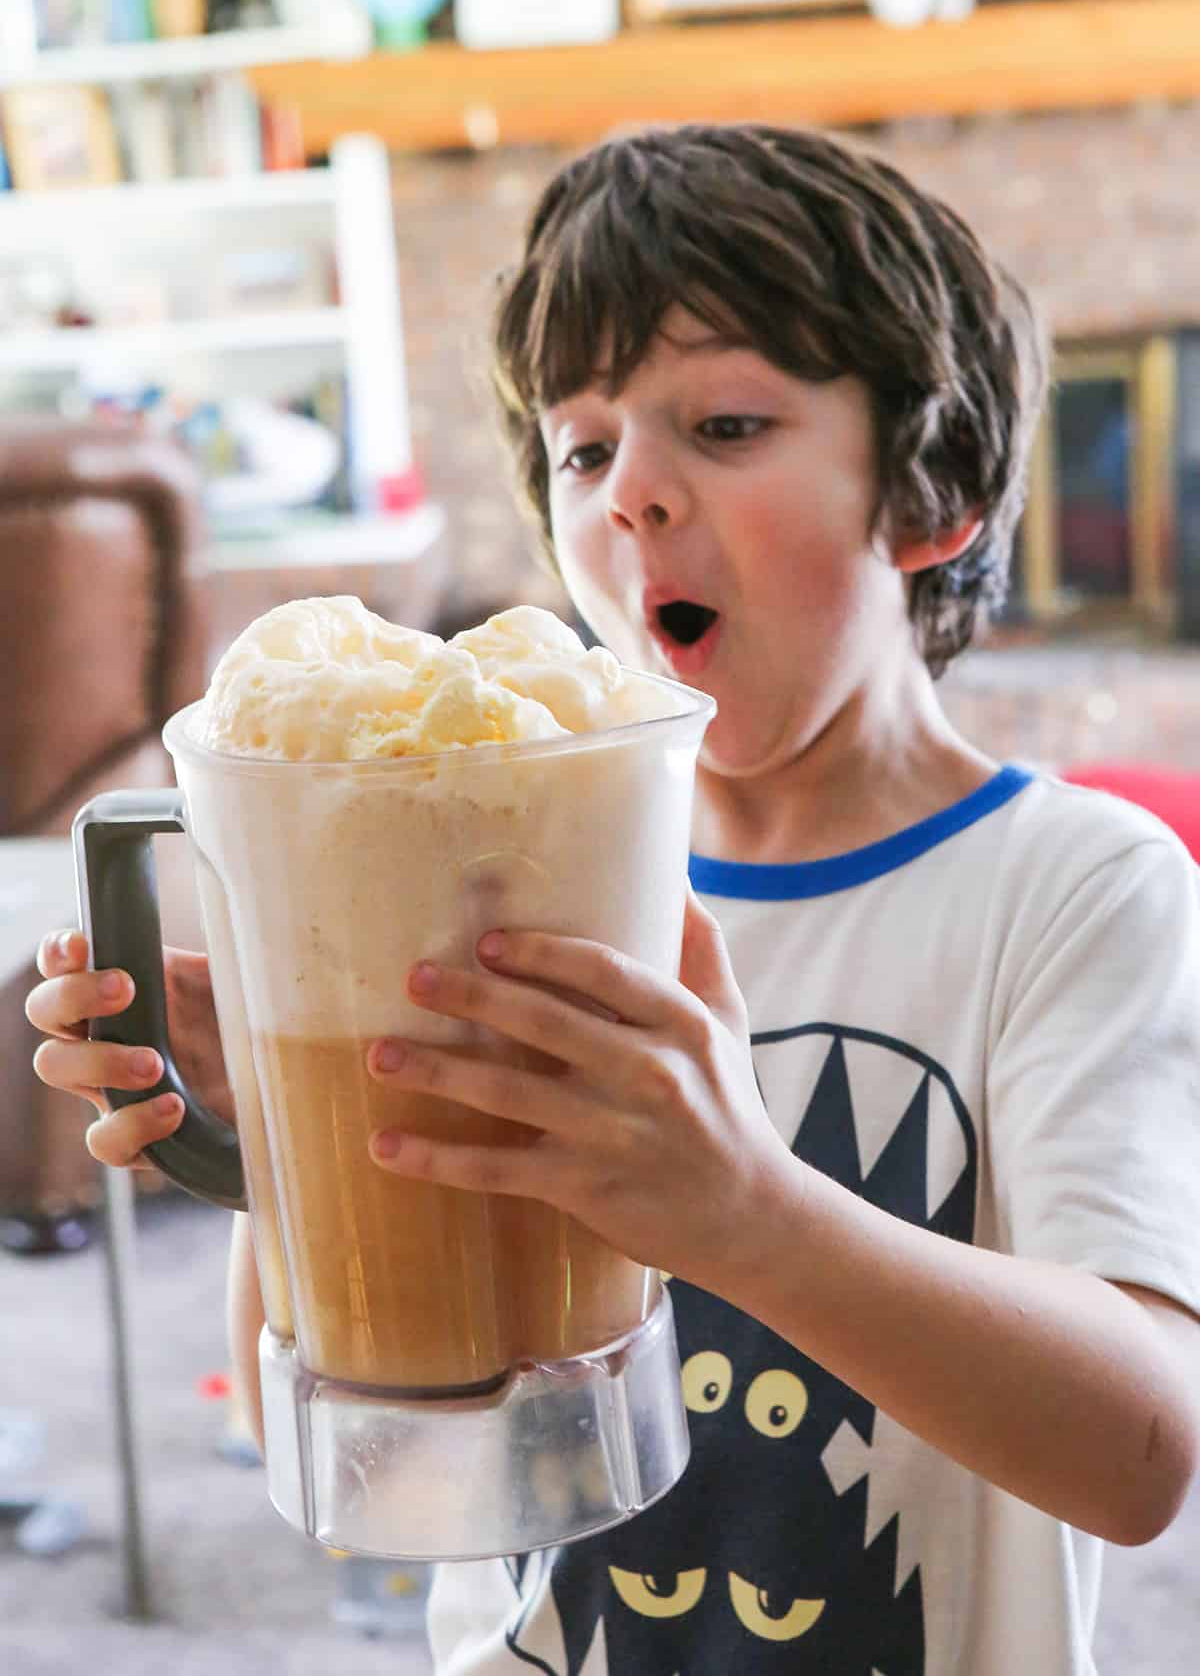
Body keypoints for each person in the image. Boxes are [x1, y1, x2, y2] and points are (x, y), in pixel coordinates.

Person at [26, 123, 1200, 1675]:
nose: (630, 492)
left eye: (719, 422)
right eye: (581, 449)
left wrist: (750, 1213)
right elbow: (305, 1428)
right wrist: (289, 1151)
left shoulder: (1074, 888)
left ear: (931, 496)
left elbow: (1139, 1451)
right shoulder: (485, 877)